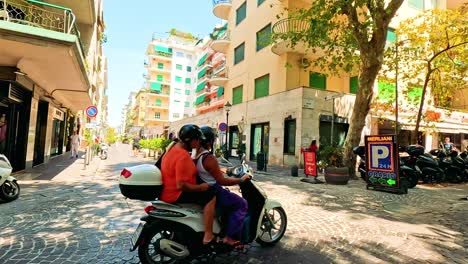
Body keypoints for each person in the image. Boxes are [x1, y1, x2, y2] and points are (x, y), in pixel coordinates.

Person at [160, 124, 217, 245]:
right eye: (197, 139)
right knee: (211, 195)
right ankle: (208, 234)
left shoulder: (171, 149)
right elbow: (181, 185)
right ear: (190, 140)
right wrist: (201, 187)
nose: (199, 142)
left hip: (167, 192)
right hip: (176, 193)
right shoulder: (182, 156)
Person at [196, 126, 250, 248]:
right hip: (214, 191)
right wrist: (240, 179)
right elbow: (222, 181)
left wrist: (221, 169)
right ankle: (230, 237)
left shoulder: (197, 154)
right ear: (210, 141)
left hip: (204, 189)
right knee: (241, 204)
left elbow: (206, 170)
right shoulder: (209, 157)